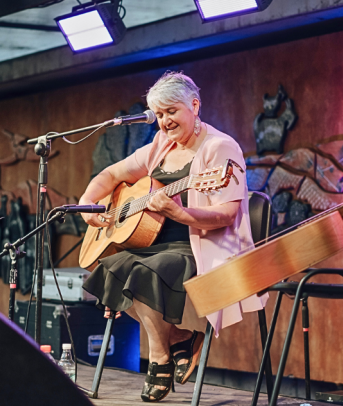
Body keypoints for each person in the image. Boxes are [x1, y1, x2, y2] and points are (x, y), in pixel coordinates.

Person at [80, 71, 266, 402]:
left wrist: (179, 214)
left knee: (139, 271)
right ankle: (178, 336)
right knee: (109, 267)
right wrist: (88, 204)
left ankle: (159, 359)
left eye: (171, 112)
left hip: (203, 246)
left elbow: (225, 215)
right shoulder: (159, 146)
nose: (164, 121)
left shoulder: (219, 148)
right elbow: (110, 174)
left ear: (194, 105)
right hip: (154, 246)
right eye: (160, 114)